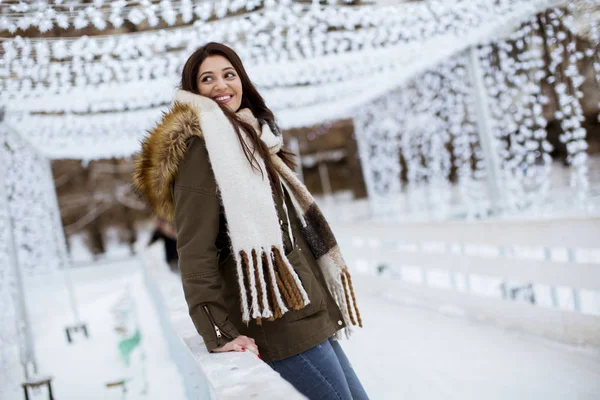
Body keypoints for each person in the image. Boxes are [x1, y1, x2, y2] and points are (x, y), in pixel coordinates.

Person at [133, 42, 368, 400]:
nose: (221, 85)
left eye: (229, 74)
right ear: (193, 91)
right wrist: (218, 331)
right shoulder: (201, 150)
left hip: (305, 309)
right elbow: (195, 249)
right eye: (207, 79)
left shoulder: (254, 139)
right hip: (276, 323)